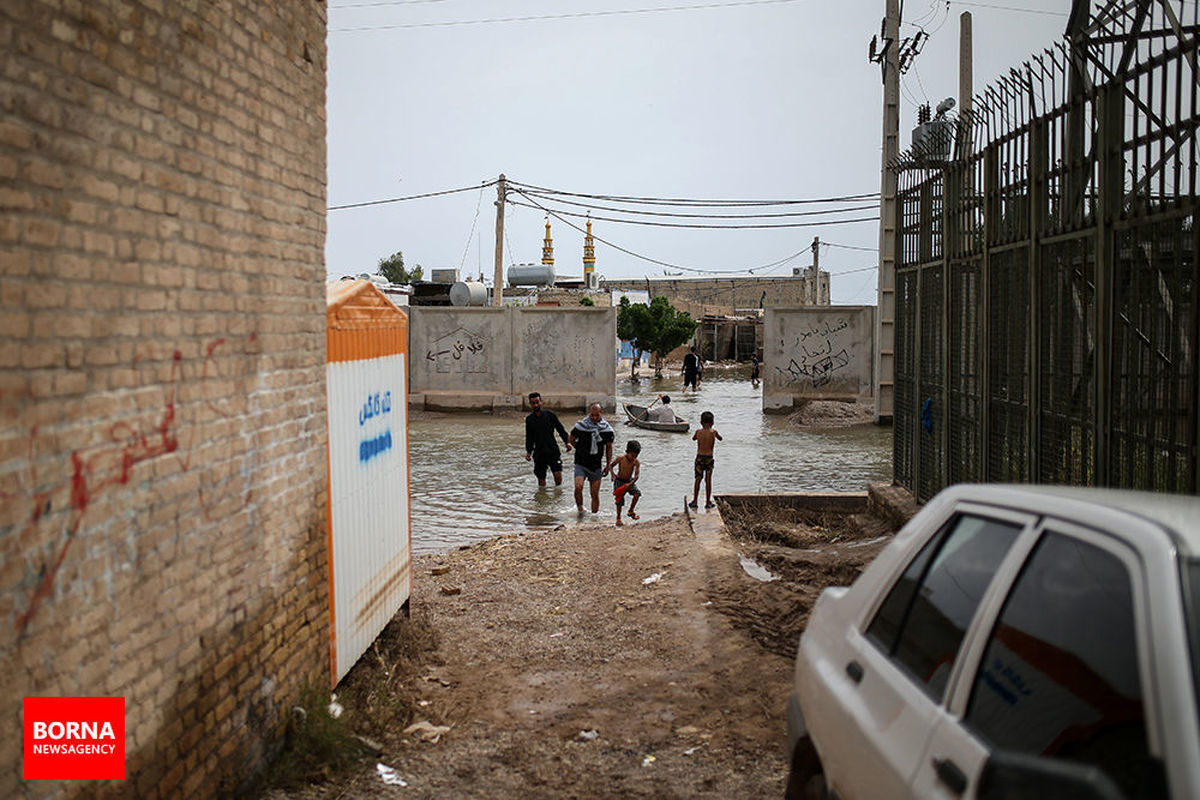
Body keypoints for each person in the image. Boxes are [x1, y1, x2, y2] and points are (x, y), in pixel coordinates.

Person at [568, 403, 615, 514]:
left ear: (601, 414)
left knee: (594, 494)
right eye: (592, 415)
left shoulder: (606, 430)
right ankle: (580, 510)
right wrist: (579, 448)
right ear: (589, 413)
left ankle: (594, 517)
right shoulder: (581, 426)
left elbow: (609, 448)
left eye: (597, 415)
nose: (594, 418)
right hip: (581, 462)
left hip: (596, 464)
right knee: (578, 487)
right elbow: (571, 438)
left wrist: (608, 465)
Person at [524, 392, 571, 487]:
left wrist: (567, 442)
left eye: (537, 402)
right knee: (541, 481)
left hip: (552, 450)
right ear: (530, 404)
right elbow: (529, 437)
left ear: (541, 402)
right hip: (539, 453)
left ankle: (558, 497)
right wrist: (529, 452)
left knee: (558, 476)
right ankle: (542, 499)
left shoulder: (550, 415)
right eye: (533, 403)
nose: (536, 405)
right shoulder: (529, 419)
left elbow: (560, 429)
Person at [689, 410, 723, 510]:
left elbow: (693, 438)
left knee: (697, 479)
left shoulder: (698, 432)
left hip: (699, 458)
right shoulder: (713, 432)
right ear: (712, 423)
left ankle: (695, 501)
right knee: (708, 481)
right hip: (709, 458)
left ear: (701, 422)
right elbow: (720, 438)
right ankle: (708, 502)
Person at [607, 440, 642, 526]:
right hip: (619, 481)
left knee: (637, 493)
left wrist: (630, 484)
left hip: (629, 481)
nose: (633, 458)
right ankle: (618, 518)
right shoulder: (620, 458)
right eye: (632, 455)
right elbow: (611, 466)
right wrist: (612, 474)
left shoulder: (636, 462)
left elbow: (637, 475)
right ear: (627, 452)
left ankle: (631, 510)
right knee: (619, 499)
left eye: (636, 456)